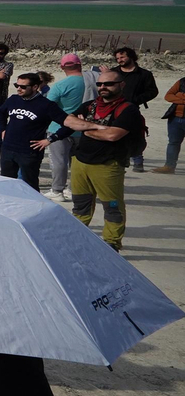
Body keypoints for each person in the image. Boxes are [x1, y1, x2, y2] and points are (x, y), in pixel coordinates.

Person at [59, 70, 146, 251]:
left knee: (112, 206)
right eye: (99, 84)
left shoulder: (128, 110)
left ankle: (112, 242)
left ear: (121, 85)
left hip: (108, 165)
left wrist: (85, 128)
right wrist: (97, 127)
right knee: (80, 204)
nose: (103, 87)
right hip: (81, 162)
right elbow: (68, 122)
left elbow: (113, 135)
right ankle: (78, 235)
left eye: (108, 84)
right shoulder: (90, 105)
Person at [0, 74, 67, 190]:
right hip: (8, 149)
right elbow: (0, 113)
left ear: (35, 87)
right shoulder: (13, 99)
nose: (19, 89)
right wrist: (3, 129)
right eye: (17, 85)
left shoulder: (46, 105)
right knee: (6, 183)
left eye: (23, 87)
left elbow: (68, 125)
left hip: (29, 152)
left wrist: (50, 139)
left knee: (29, 185)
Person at [42, 54, 92, 199]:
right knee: (77, 162)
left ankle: (57, 190)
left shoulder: (60, 85)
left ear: (62, 67)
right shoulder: (91, 83)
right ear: (80, 65)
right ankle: (73, 189)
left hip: (58, 127)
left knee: (59, 161)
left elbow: (48, 106)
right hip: (83, 128)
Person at [110, 47, 158, 171]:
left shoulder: (144, 74)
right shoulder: (114, 72)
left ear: (131, 56)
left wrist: (136, 99)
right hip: (112, 108)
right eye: (118, 58)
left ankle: (138, 162)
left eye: (122, 57)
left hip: (132, 109)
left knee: (134, 135)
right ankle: (114, 159)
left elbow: (153, 91)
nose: (120, 60)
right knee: (113, 134)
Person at [158, 71, 185, 174]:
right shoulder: (182, 82)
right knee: (173, 143)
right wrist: (183, 99)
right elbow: (168, 96)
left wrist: (179, 96)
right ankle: (169, 167)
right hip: (175, 118)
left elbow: (173, 96)